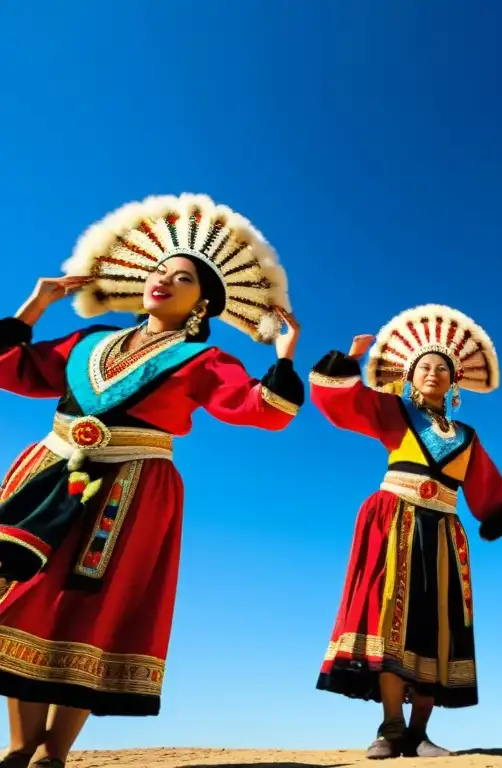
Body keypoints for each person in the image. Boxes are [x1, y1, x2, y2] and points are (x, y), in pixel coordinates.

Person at [0, 194, 303, 768]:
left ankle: (53, 752)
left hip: (133, 489)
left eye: (182, 277)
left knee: (95, 605)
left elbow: (259, 410)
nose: (164, 280)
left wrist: (284, 358)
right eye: (160, 271)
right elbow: (10, 368)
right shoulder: (85, 344)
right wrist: (35, 305)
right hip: (50, 473)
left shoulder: (204, 361)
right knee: (22, 593)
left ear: (202, 302)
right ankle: (19, 742)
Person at [309, 303, 502, 759]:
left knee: (436, 627)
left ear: (454, 383)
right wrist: (350, 361)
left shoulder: (467, 436)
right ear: (410, 378)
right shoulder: (392, 412)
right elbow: (339, 403)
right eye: (424, 367)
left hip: (445, 531)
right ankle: (390, 727)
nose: (433, 372)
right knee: (389, 615)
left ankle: (418, 732)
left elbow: (485, 486)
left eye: (442, 369)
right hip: (393, 519)